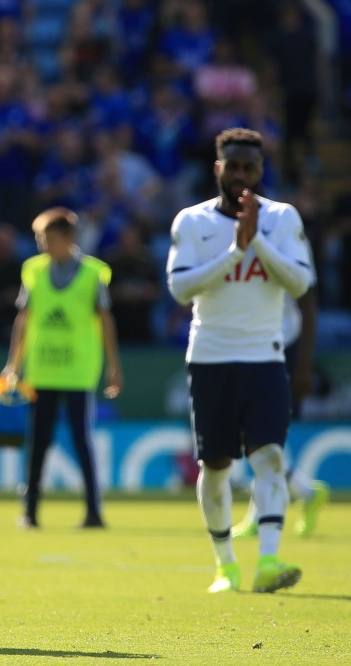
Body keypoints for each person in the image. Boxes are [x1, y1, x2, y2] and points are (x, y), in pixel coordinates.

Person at [166, 128, 313, 594]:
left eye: (250, 167)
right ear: (217, 169)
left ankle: (268, 560)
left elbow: (300, 283)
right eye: (233, 167)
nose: (241, 176)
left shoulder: (282, 218)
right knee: (216, 469)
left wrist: (258, 243)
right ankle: (225, 564)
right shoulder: (192, 222)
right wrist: (235, 252)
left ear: (261, 170)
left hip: (265, 357)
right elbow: (180, 288)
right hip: (210, 358)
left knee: (270, 457)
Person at [2, 207, 122, 530]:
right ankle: (30, 512)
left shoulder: (93, 273)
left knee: (83, 441)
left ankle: (94, 512)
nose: (43, 245)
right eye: (40, 238)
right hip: (41, 371)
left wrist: (114, 366)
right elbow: (23, 319)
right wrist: (13, 364)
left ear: (70, 239)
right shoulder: (34, 271)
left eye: (49, 238)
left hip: (78, 372)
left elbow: (105, 321)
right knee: (37, 442)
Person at [231, 259, 329, 539]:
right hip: (247, 344)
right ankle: (300, 493)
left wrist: (304, 365)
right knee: (248, 433)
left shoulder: (283, 233)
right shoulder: (236, 237)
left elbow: (308, 302)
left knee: (258, 433)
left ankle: (296, 495)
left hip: (279, 345)